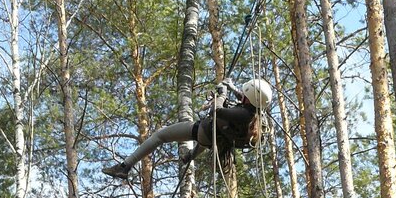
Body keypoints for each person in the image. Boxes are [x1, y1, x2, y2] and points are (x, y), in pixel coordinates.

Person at [102, 77, 273, 180]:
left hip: (204, 131)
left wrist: (222, 94)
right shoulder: (255, 113)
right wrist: (232, 87)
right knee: (204, 140)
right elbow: (245, 100)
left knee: (160, 135)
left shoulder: (242, 115)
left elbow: (217, 111)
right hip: (215, 137)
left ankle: (125, 166)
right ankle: (189, 156)